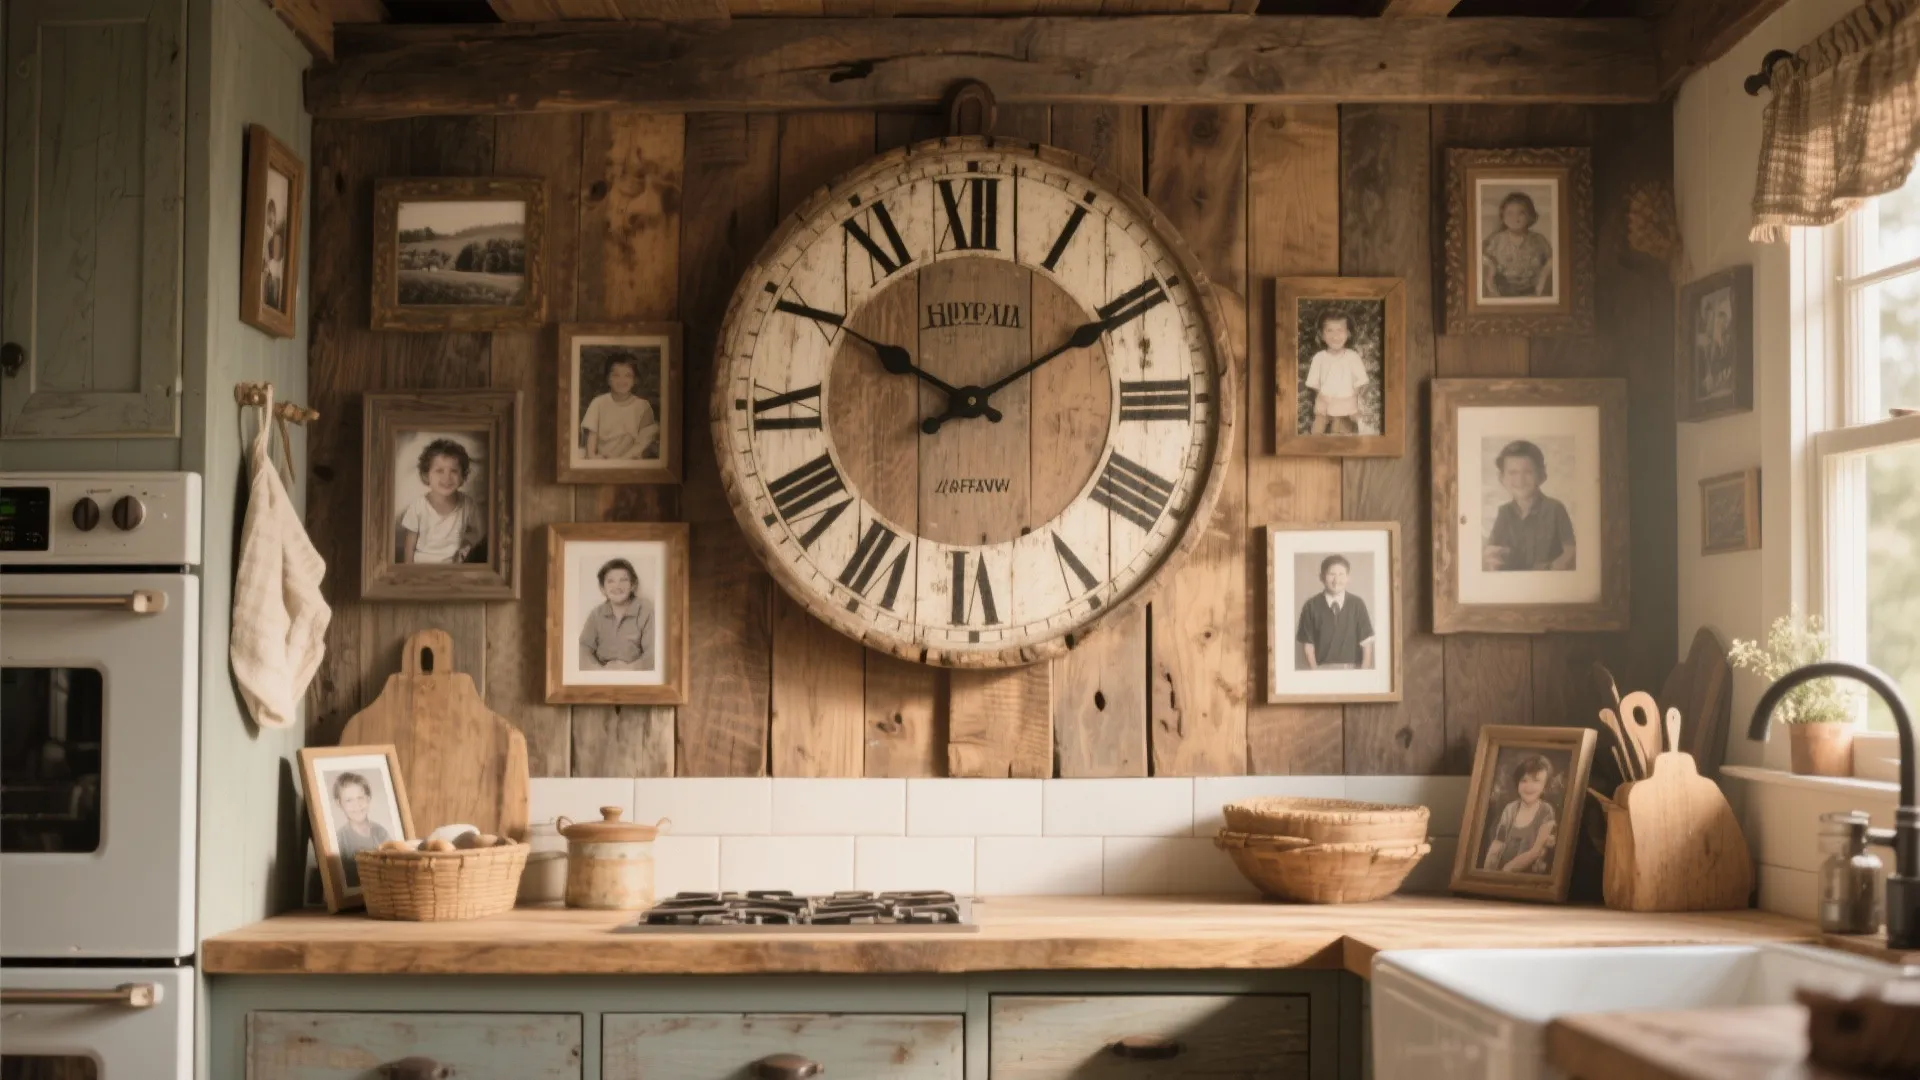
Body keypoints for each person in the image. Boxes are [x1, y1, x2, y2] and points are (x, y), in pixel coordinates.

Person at [1484, 440, 1576, 572]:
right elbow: (1493, 553)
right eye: (1513, 473)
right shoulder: (1504, 513)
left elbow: (1570, 553)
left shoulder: (1555, 509)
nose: (1520, 480)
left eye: (1528, 472)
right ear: (1502, 478)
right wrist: (1493, 559)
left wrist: (1549, 568)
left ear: (1542, 475)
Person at [397, 438, 483, 564]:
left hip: (454, 569)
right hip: (422, 567)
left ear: (462, 476)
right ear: (427, 475)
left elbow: (476, 532)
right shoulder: (418, 507)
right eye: (439, 470)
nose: (446, 477)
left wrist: (466, 544)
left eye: (454, 471)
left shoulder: (468, 505)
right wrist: (409, 575)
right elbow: (409, 547)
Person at [1295, 554, 1374, 670]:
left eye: (1341, 574)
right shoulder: (1310, 606)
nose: (1336, 580)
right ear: (1322, 577)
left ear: (1348, 578)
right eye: (1331, 574)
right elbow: (1308, 646)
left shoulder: (1357, 604)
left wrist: (1363, 675)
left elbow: (1367, 644)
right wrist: (1315, 675)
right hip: (1321, 670)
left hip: (1353, 670)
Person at [1482, 754, 1558, 874]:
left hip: (1527, 875)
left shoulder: (1546, 811)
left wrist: (1507, 870)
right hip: (1502, 870)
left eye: (1536, 781)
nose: (1529, 786)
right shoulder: (1510, 809)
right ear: (1517, 783)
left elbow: (1535, 851)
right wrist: (1487, 871)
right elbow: (1498, 842)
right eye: (1524, 780)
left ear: (1545, 786)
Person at [579, 558, 654, 672]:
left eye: (623, 580)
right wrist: (598, 671)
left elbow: (654, 652)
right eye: (610, 581)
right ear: (602, 588)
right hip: (601, 676)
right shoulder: (596, 614)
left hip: (635, 676)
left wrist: (630, 669)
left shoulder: (645, 611)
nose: (617, 586)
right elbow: (583, 648)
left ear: (633, 585)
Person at [581, 355, 660, 461]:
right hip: (603, 460)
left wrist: (623, 460)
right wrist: (593, 457)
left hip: (630, 461)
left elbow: (643, 443)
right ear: (608, 379)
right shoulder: (598, 403)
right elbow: (591, 442)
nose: (621, 380)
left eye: (627, 375)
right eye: (616, 375)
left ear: (635, 380)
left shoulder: (643, 406)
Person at [1303, 311, 1369, 435]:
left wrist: (1349, 403)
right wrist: (1325, 404)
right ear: (1322, 335)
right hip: (1324, 411)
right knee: (1317, 440)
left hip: (1346, 410)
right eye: (1329, 331)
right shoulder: (1319, 358)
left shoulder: (1353, 357)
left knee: (1342, 440)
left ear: (1348, 333)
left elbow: (1361, 382)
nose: (1335, 336)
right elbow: (1315, 385)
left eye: (1340, 330)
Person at [1482, 191, 1554, 299]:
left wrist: (1544, 275)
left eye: (1521, 213)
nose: (1515, 218)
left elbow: (1552, 260)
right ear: (1503, 216)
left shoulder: (1539, 240)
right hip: (1502, 292)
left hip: (1533, 292)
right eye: (1509, 213)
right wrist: (1490, 271)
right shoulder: (1496, 239)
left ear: (1530, 216)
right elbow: (1483, 258)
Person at [331, 771, 390, 889]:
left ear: (368, 799)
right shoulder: (340, 840)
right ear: (339, 803)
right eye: (349, 800)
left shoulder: (381, 832)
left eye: (360, 798)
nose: (356, 805)